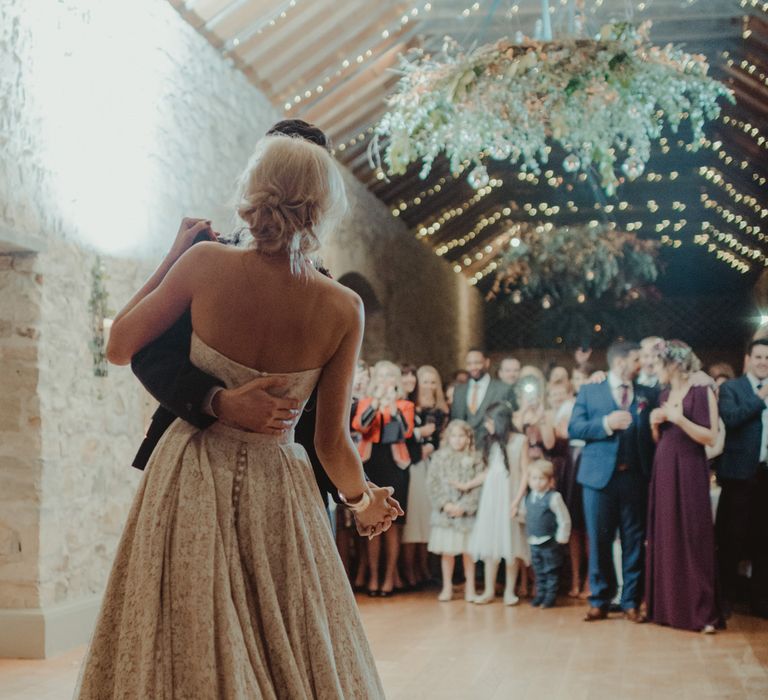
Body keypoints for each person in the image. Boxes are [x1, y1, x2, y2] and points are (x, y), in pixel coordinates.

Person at [78, 135, 401, 697]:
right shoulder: (343, 307)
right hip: (279, 485)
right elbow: (331, 443)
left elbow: (119, 345)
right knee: (286, 639)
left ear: (254, 191)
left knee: (186, 631)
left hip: (189, 472)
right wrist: (363, 500)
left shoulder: (203, 265)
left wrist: (172, 259)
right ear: (321, 206)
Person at [568, 340, 658, 623]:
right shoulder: (590, 390)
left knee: (633, 541)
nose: (640, 364)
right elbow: (575, 428)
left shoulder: (648, 393)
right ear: (620, 362)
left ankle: (631, 601)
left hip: (634, 477)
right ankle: (600, 599)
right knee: (600, 540)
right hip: (598, 479)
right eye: (636, 360)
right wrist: (606, 423)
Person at [646, 340, 723, 633]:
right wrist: (656, 425)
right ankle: (669, 608)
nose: (656, 371)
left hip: (690, 467)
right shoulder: (665, 393)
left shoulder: (702, 391)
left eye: (659, 365)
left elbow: (711, 437)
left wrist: (679, 419)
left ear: (675, 364)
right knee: (667, 535)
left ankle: (701, 612)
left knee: (693, 534)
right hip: (664, 467)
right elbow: (663, 438)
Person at [352, 360, 416, 596]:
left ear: (396, 381)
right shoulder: (366, 403)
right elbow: (360, 426)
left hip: (396, 466)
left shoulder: (404, 405)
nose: (385, 381)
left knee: (392, 524)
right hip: (371, 464)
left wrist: (391, 408)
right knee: (372, 519)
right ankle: (373, 577)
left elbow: (405, 432)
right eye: (381, 376)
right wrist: (377, 404)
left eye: (390, 376)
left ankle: (389, 577)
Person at [717, 339, 768, 618]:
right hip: (739, 476)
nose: (763, 362)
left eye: (767, 357)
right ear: (748, 359)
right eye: (758, 356)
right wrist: (761, 398)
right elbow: (732, 418)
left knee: (764, 542)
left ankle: (760, 600)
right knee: (731, 540)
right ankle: (725, 599)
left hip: (766, 475)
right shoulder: (732, 388)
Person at [462, 402, 530, 605]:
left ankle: (510, 591)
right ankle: (489, 590)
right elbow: (490, 471)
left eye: (489, 421)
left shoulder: (520, 441)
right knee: (490, 543)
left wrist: (517, 501)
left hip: (509, 497)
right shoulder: (492, 443)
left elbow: (525, 472)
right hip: (491, 499)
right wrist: (467, 485)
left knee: (511, 544)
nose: (486, 425)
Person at [402, 365, 448, 588]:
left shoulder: (440, 410)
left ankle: (426, 569)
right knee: (414, 518)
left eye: (433, 382)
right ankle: (410, 570)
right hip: (414, 464)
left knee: (428, 518)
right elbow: (403, 437)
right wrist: (420, 444)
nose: (428, 386)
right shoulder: (409, 407)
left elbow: (443, 439)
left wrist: (433, 445)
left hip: (432, 465)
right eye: (425, 381)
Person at [427, 420, 484, 602]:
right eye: (454, 436)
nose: (458, 440)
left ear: (468, 438)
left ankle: (470, 588)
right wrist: (445, 504)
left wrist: (465, 507)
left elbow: (479, 486)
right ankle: (447, 587)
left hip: (467, 513)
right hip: (446, 513)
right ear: (448, 438)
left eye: (462, 436)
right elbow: (432, 483)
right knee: (448, 552)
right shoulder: (439, 457)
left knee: (469, 552)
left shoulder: (476, 458)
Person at [548, 379, 588, 598]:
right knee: (572, 525)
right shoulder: (563, 408)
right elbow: (559, 434)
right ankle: (575, 578)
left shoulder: (585, 405)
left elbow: (570, 431)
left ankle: (591, 579)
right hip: (568, 467)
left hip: (585, 461)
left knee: (589, 527)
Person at [522, 460, 572, 608]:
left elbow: (564, 519)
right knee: (538, 570)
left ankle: (550, 597)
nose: (537, 483)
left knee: (551, 570)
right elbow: (527, 515)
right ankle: (540, 594)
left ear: (550, 481)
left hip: (549, 541)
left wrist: (562, 537)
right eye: (534, 479)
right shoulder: (529, 498)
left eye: (542, 479)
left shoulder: (554, 497)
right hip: (534, 540)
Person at [451, 348, 517, 444]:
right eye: (469, 364)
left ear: (487, 362)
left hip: (493, 446)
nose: (473, 367)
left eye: (477, 363)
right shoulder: (459, 391)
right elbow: (455, 420)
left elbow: (512, 421)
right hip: (464, 450)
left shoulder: (503, 389)